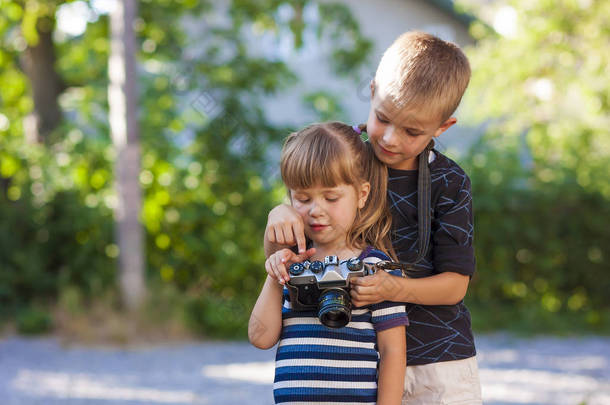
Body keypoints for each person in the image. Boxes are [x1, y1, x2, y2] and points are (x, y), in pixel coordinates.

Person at [264, 31, 482, 404]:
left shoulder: (450, 181)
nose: (391, 139)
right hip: (356, 362)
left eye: (413, 131)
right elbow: (286, 256)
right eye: (383, 118)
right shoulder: (342, 157)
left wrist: (393, 288)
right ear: (372, 91)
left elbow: (454, 286)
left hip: (439, 361)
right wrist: (280, 212)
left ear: (442, 127)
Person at [249, 122, 409, 404]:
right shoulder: (295, 264)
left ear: (361, 194)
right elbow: (261, 338)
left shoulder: (373, 266)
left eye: (331, 197)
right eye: (302, 198)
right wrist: (275, 275)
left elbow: (393, 352)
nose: (316, 210)